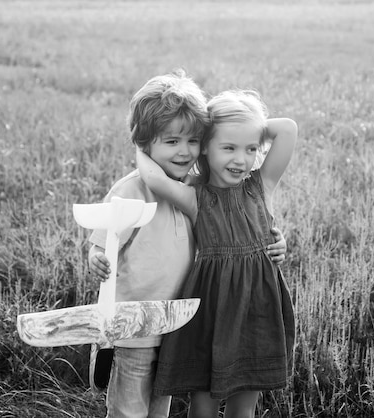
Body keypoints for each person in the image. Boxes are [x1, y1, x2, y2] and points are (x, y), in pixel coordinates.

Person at [88, 72, 288, 418]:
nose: (184, 152)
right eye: (170, 142)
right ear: (146, 143)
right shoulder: (150, 192)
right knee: (130, 408)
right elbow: (105, 239)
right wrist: (96, 256)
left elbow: (286, 132)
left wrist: (237, 125)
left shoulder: (217, 190)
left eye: (192, 140)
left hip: (178, 320)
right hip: (134, 324)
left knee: (158, 406)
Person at [135, 89, 297, 418]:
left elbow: (289, 128)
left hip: (258, 310)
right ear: (205, 146)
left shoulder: (260, 186)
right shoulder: (196, 198)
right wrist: (140, 144)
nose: (241, 159)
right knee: (204, 404)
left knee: (244, 406)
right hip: (211, 311)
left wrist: (248, 127)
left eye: (251, 148)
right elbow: (152, 178)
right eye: (229, 147)